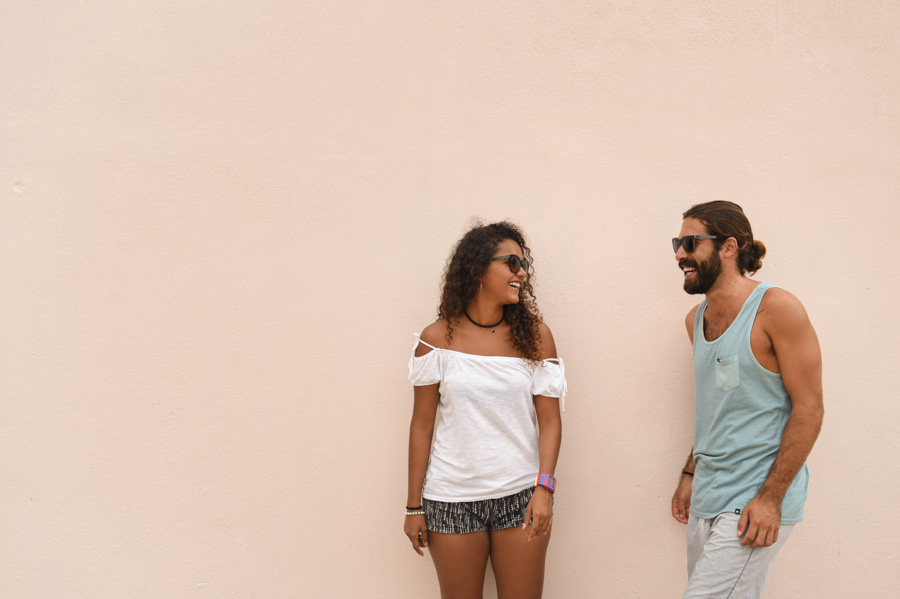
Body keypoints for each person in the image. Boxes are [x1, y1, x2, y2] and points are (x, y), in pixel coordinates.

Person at [404, 221, 566, 599]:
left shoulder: (536, 337)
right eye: (512, 263)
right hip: (451, 498)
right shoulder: (435, 340)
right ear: (477, 268)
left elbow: (551, 421)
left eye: (523, 264)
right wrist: (413, 507)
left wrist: (545, 489)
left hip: (522, 495)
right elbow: (422, 426)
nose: (522, 273)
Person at [670, 201, 824, 598]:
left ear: (728, 247)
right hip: (708, 494)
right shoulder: (695, 320)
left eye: (690, 242)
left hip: (755, 497)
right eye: (677, 242)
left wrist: (771, 499)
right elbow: (718, 408)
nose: (679, 254)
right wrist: (690, 474)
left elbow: (810, 408)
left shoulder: (776, 309)